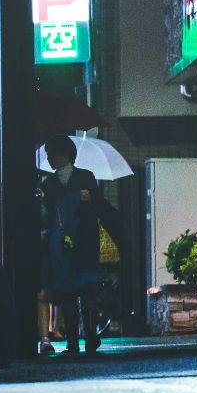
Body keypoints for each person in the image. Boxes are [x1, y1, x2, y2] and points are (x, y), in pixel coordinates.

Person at [38, 136, 118, 356]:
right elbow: (47, 214)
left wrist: (87, 198)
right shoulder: (48, 184)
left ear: (65, 154)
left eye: (53, 154)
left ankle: (90, 336)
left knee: (87, 290)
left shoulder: (85, 177)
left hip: (84, 240)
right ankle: (73, 342)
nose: (50, 159)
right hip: (61, 244)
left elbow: (99, 205)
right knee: (67, 294)